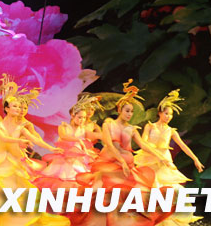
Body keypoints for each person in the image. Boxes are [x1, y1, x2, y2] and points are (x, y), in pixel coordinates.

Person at [0, 78, 70, 226]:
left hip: (14, 163)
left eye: (19, 106)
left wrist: (51, 148)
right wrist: (19, 141)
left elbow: (35, 139)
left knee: (15, 191)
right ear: (7, 109)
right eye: (15, 106)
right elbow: (4, 138)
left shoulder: (21, 127)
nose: (18, 109)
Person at [74, 79, 172, 226]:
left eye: (131, 111)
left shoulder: (132, 129)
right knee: (106, 193)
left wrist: (160, 156)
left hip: (126, 165)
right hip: (110, 163)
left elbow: (143, 144)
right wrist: (121, 161)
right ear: (119, 110)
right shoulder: (109, 123)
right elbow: (109, 144)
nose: (130, 114)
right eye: (127, 110)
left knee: (130, 194)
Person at [135, 89, 204, 225]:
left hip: (164, 162)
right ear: (160, 113)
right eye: (166, 113)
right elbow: (143, 142)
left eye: (170, 114)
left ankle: (167, 216)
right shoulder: (150, 126)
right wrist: (155, 153)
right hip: (150, 159)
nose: (168, 117)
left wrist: (195, 159)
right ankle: (147, 216)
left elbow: (183, 146)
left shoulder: (171, 131)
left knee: (169, 188)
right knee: (149, 187)